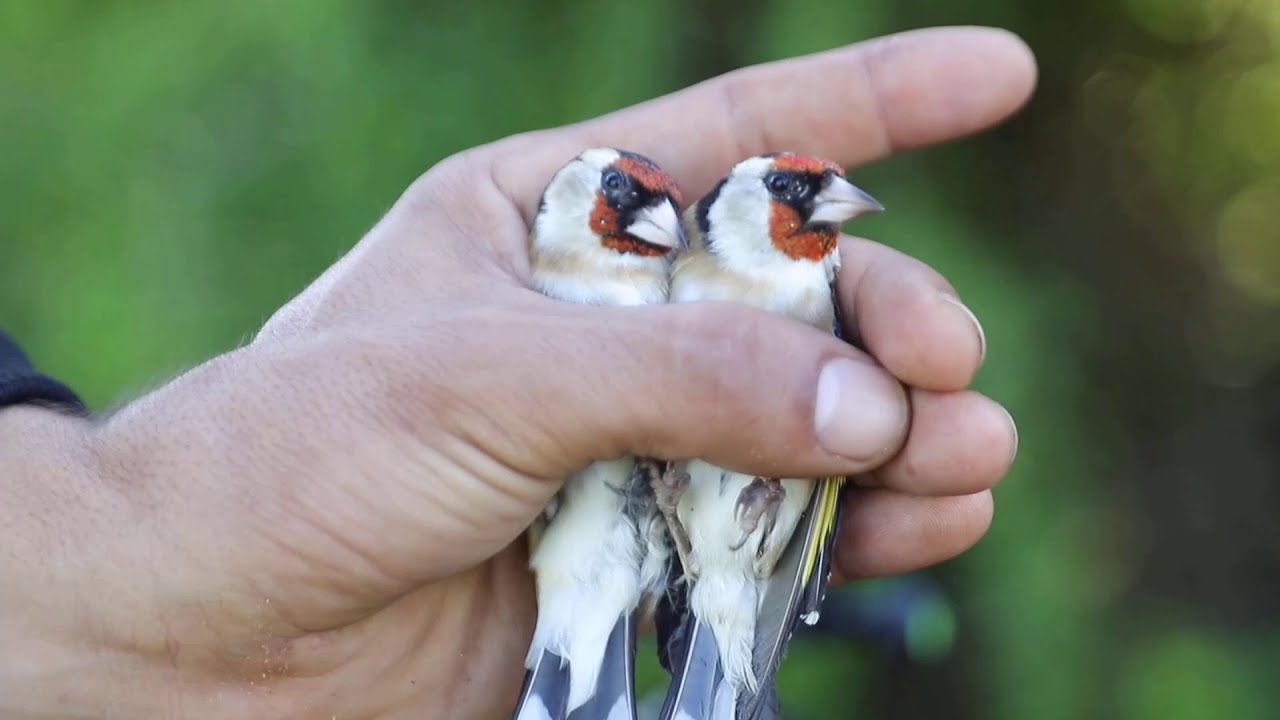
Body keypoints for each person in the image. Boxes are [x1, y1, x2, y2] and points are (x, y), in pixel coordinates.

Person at [0, 26, 1030, 719]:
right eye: (801, 199)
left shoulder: (778, 281)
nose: (651, 224)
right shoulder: (598, 278)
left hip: (699, 561)